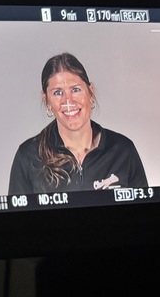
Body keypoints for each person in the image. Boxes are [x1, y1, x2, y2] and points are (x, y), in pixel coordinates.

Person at [8, 52, 146, 195]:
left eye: (75, 90)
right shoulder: (28, 156)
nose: (68, 102)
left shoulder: (123, 150)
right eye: (57, 93)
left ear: (90, 92)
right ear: (47, 101)